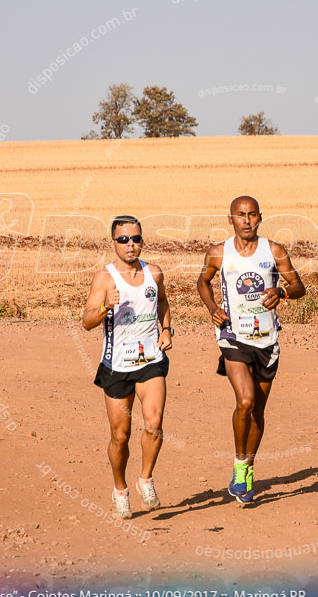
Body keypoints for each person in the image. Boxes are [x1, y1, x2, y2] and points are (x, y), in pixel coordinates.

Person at [197, 196, 305, 504]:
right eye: (240, 215)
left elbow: (299, 287)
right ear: (230, 219)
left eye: (252, 214)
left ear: (259, 217)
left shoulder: (274, 251)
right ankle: (239, 464)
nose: (247, 219)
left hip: (267, 340)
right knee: (244, 401)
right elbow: (202, 282)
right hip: (232, 337)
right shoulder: (218, 252)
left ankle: (249, 466)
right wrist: (212, 308)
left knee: (257, 410)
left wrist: (282, 291)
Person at [83, 215, 173, 519]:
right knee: (120, 436)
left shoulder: (154, 273)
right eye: (123, 240)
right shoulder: (104, 278)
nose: (130, 245)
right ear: (113, 243)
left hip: (150, 361)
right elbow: (86, 322)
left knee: (154, 423)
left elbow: (162, 303)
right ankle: (120, 488)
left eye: (136, 239)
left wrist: (166, 330)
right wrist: (106, 305)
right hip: (117, 366)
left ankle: (145, 479)